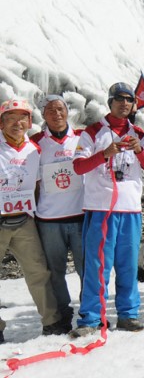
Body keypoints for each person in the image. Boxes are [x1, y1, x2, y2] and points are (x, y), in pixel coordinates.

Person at [70, 82, 144, 337]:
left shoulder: (137, 132)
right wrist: (104, 154)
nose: (124, 103)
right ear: (110, 102)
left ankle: (128, 314)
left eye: (129, 100)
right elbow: (78, 167)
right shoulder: (93, 131)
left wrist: (139, 150)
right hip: (101, 210)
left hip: (130, 210)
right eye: (119, 99)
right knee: (98, 266)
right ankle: (91, 317)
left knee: (128, 266)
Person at [0, 99, 66, 337]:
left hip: (24, 221)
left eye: (22, 118)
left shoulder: (34, 149)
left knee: (38, 271)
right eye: (10, 118)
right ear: (1, 123)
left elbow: (38, 185)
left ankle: (51, 321)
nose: (17, 123)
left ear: (29, 122)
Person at [31, 95, 84, 332]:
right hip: (49, 219)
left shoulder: (83, 137)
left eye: (60, 109)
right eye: (51, 110)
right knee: (55, 272)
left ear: (67, 111)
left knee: (87, 269)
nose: (57, 114)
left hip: (81, 216)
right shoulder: (35, 142)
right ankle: (63, 313)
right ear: (43, 115)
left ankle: (89, 311)